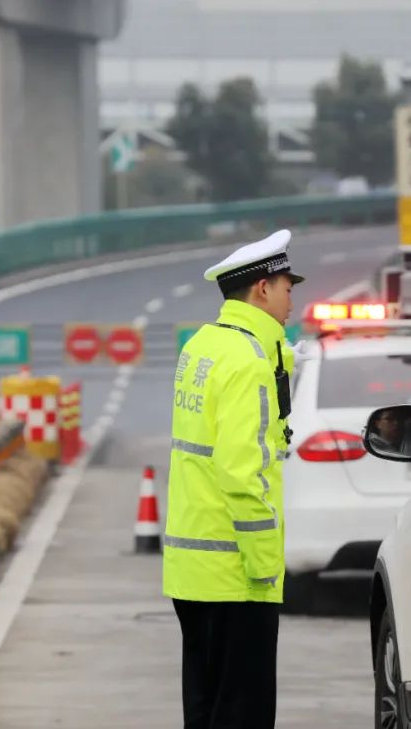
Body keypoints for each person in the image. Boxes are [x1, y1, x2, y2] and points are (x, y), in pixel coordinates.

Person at [163, 229, 304, 729]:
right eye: (288, 287)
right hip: (236, 575)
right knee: (242, 713)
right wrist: (266, 568)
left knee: (204, 708)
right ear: (262, 290)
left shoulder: (203, 347)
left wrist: (283, 357)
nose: (292, 300)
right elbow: (243, 473)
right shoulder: (249, 364)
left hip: (192, 568)